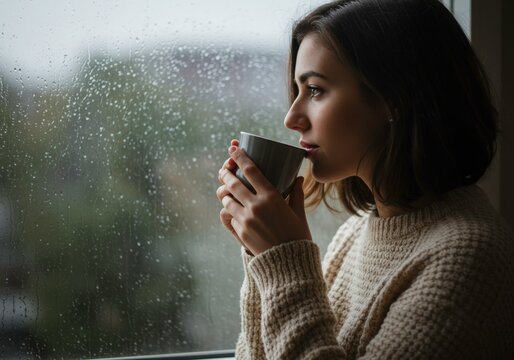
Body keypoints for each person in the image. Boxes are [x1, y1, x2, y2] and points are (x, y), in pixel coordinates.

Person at [216, 0, 514, 358]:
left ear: (395, 98)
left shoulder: (470, 259)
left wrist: (284, 260)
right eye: (297, 90)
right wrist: (262, 253)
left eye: (315, 90)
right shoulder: (356, 232)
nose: (291, 118)